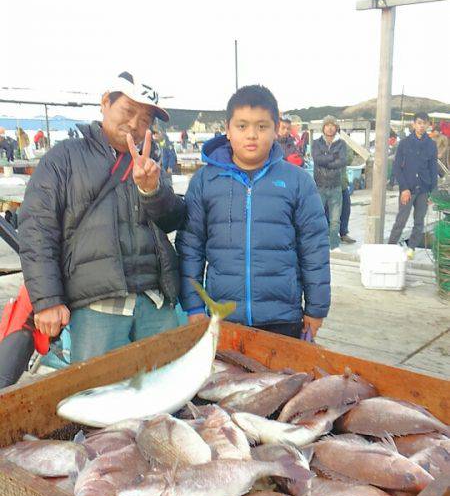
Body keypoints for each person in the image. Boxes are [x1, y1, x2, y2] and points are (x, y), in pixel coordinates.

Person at [18, 70, 186, 362]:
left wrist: (152, 190)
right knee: (99, 395)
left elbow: (174, 220)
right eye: (128, 110)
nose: (134, 124)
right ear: (105, 103)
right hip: (97, 308)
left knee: (164, 392)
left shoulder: (152, 162)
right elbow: (37, 229)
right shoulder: (64, 157)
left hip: (156, 303)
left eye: (145, 119)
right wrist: (47, 300)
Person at [176, 84, 330, 339]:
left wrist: (316, 308)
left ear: (276, 128)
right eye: (242, 126)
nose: (252, 135)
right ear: (227, 129)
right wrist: (193, 305)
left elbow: (314, 249)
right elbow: (191, 247)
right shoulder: (205, 181)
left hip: (282, 317)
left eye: (262, 126)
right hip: (222, 317)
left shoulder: (298, 181)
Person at [388, 112, 438, 258]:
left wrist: (432, 193)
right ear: (414, 124)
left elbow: (433, 169)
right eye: (419, 123)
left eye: (424, 123)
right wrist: (403, 188)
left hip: (424, 188)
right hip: (408, 188)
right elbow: (397, 167)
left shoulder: (431, 145)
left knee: (419, 221)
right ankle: (390, 247)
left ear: (428, 125)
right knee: (401, 220)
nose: (421, 126)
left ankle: (412, 248)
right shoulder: (404, 143)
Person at [311, 116, 348, 251]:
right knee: (317, 217)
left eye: (333, 125)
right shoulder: (316, 143)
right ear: (323, 127)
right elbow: (317, 159)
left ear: (336, 127)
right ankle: (317, 244)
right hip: (319, 185)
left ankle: (334, 245)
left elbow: (343, 161)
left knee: (335, 220)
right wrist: (333, 157)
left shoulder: (342, 144)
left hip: (336, 186)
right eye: (327, 125)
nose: (330, 127)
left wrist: (326, 160)